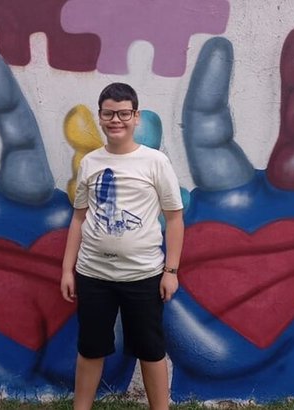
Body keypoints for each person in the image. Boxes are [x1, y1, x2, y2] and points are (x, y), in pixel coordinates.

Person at [60, 82, 184, 410]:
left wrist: (171, 271)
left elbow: (174, 219)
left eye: (124, 113)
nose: (116, 120)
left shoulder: (155, 162)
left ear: (135, 117)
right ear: (100, 117)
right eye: (109, 114)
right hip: (93, 274)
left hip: (143, 275)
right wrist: (67, 270)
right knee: (90, 348)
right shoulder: (90, 163)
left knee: (151, 350)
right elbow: (78, 218)